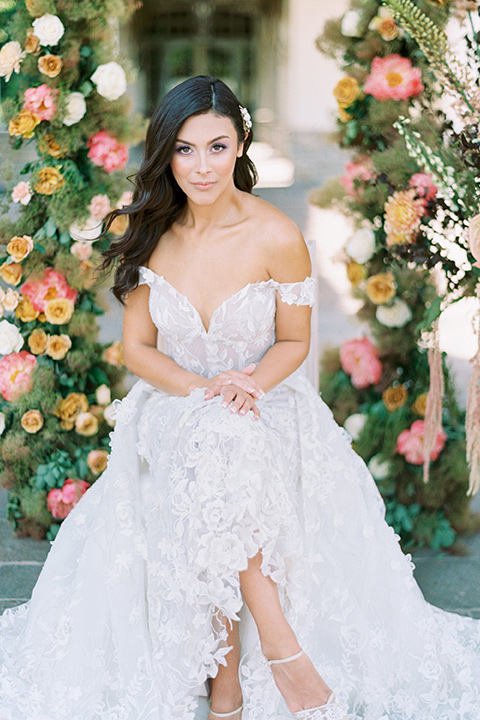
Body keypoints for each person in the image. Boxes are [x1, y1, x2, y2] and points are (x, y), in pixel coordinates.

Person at [0, 76, 479, 720]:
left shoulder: (277, 234)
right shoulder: (152, 234)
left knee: (227, 439)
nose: (202, 166)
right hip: (173, 403)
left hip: (266, 401)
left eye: (217, 146)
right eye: (185, 149)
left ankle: (226, 688)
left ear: (241, 144)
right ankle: (280, 646)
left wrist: (246, 385)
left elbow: (294, 342)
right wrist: (203, 391)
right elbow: (138, 350)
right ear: (166, 154)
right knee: (214, 436)